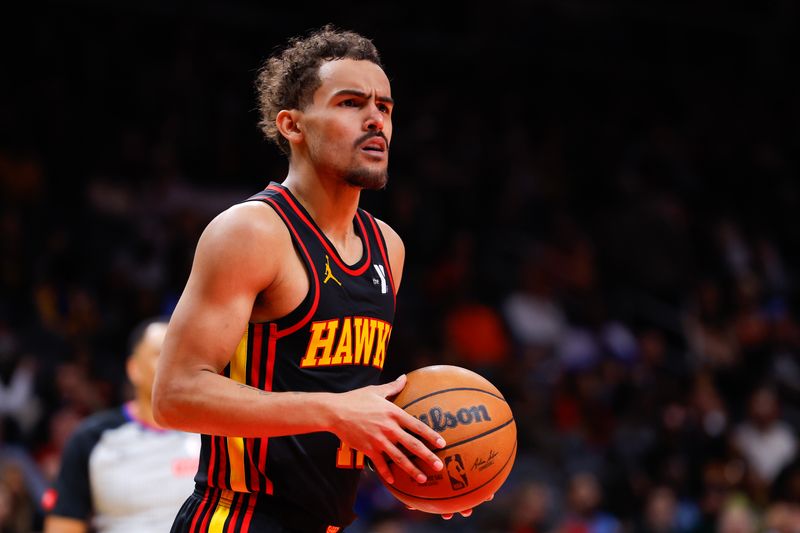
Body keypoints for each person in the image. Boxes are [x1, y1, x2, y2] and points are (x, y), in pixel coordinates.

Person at [152, 24, 484, 532]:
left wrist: (414, 465)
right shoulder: (252, 231)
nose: (375, 119)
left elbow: (337, 402)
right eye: (351, 103)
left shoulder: (386, 247)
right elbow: (175, 396)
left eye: (385, 107)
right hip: (238, 517)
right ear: (292, 125)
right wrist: (336, 412)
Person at [42, 317, 200, 532]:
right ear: (134, 369)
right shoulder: (92, 438)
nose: (174, 362)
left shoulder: (215, 433)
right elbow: (63, 525)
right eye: (161, 353)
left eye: (182, 353)